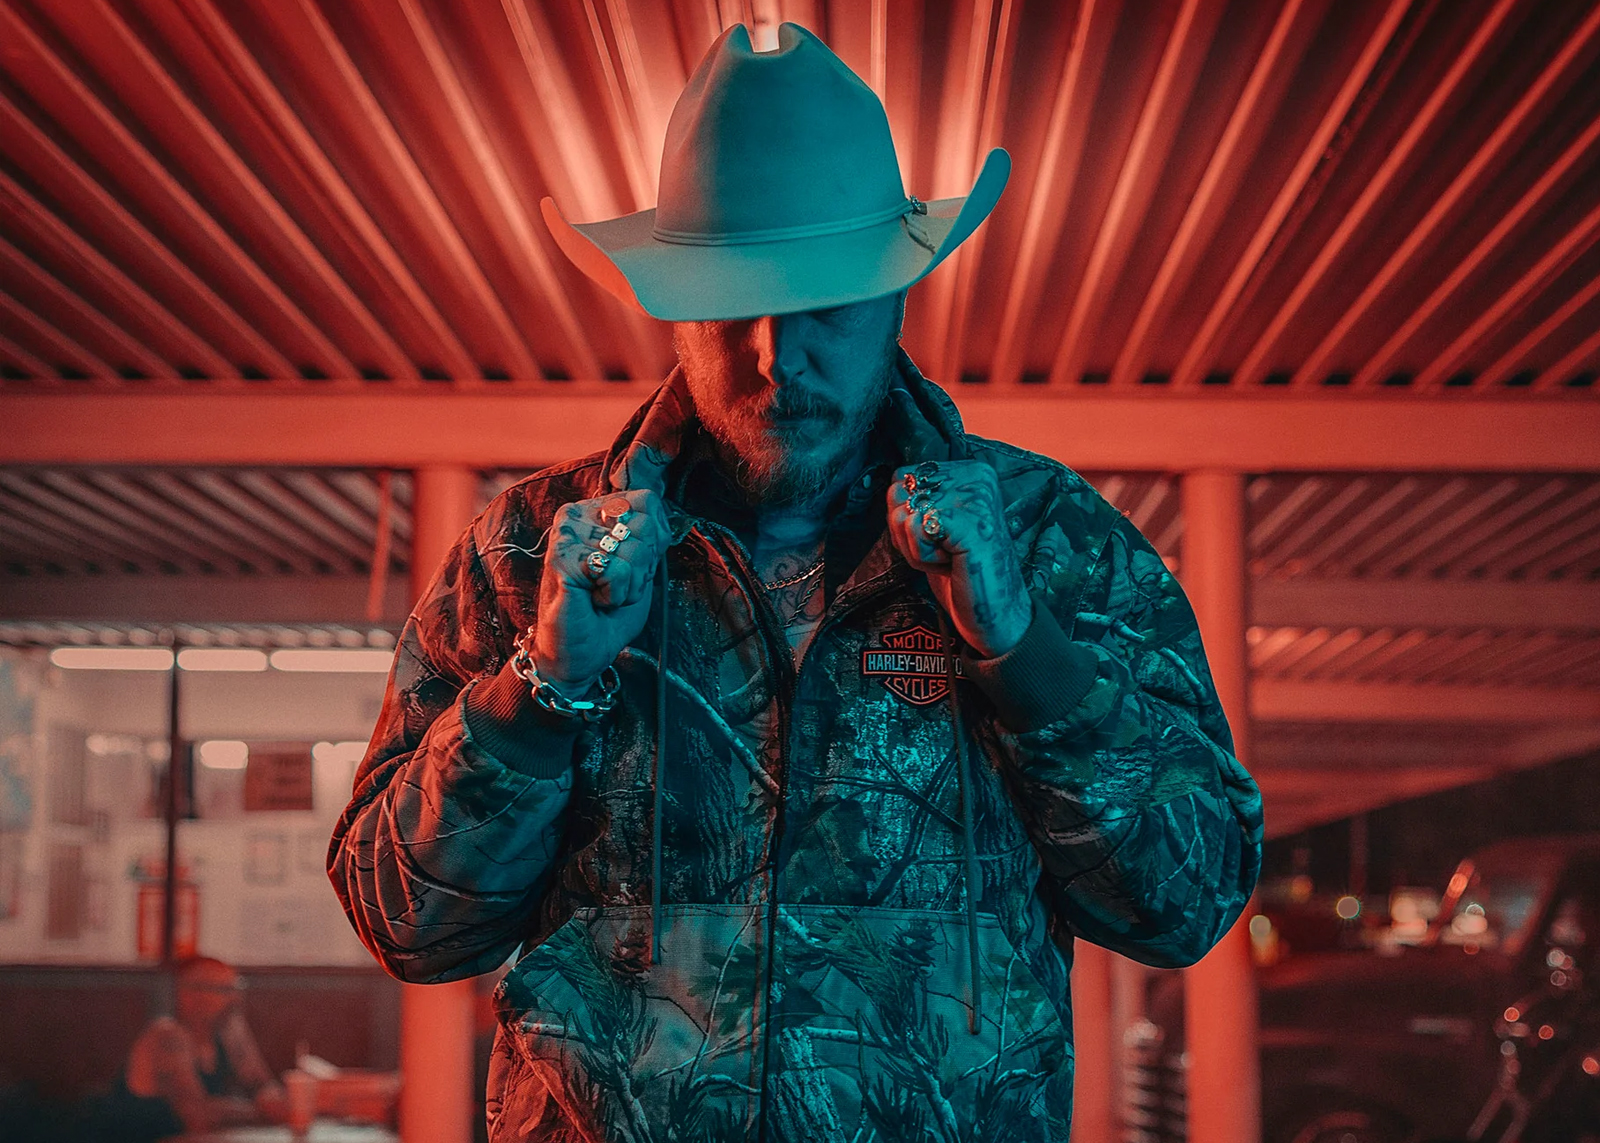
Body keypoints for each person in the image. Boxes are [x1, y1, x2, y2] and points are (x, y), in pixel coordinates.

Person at [329, 22, 1263, 1141]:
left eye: (827, 306)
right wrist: (545, 686)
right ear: (678, 312)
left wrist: (1023, 652)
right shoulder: (527, 550)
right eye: (734, 309)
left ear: (899, 298)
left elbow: (1188, 904)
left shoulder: (1052, 539)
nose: (780, 358)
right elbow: (409, 927)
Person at [122, 956, 287, 1135]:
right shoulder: (167, 1037)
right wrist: (262, 1110)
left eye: (237, 988)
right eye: (224, 990)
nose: (235, 998)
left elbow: (261, 1084)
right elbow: (196, 1115)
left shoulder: (227, 1030)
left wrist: (273, 1098)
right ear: (188, 995)